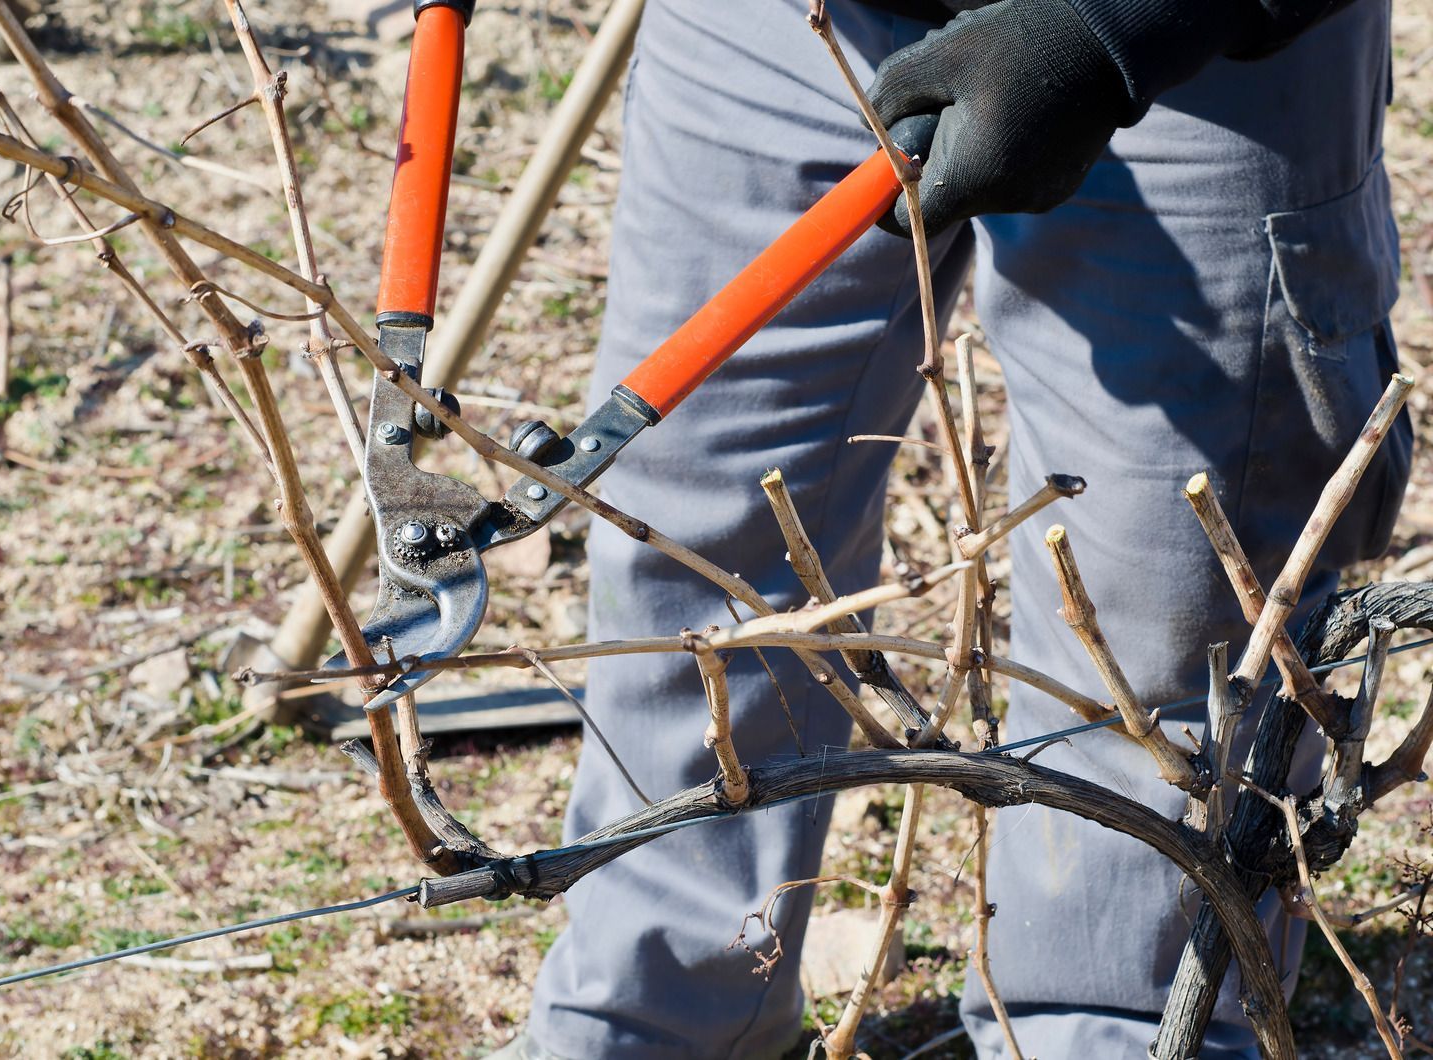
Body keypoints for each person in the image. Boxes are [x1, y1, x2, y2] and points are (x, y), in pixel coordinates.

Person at [497, 0, 1412, 1056]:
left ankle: (1109, 1023)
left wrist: (1121, 22)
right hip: (778, 22)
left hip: (1199, 69)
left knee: (1168, 619)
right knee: (690, 523)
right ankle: (654, 1014)